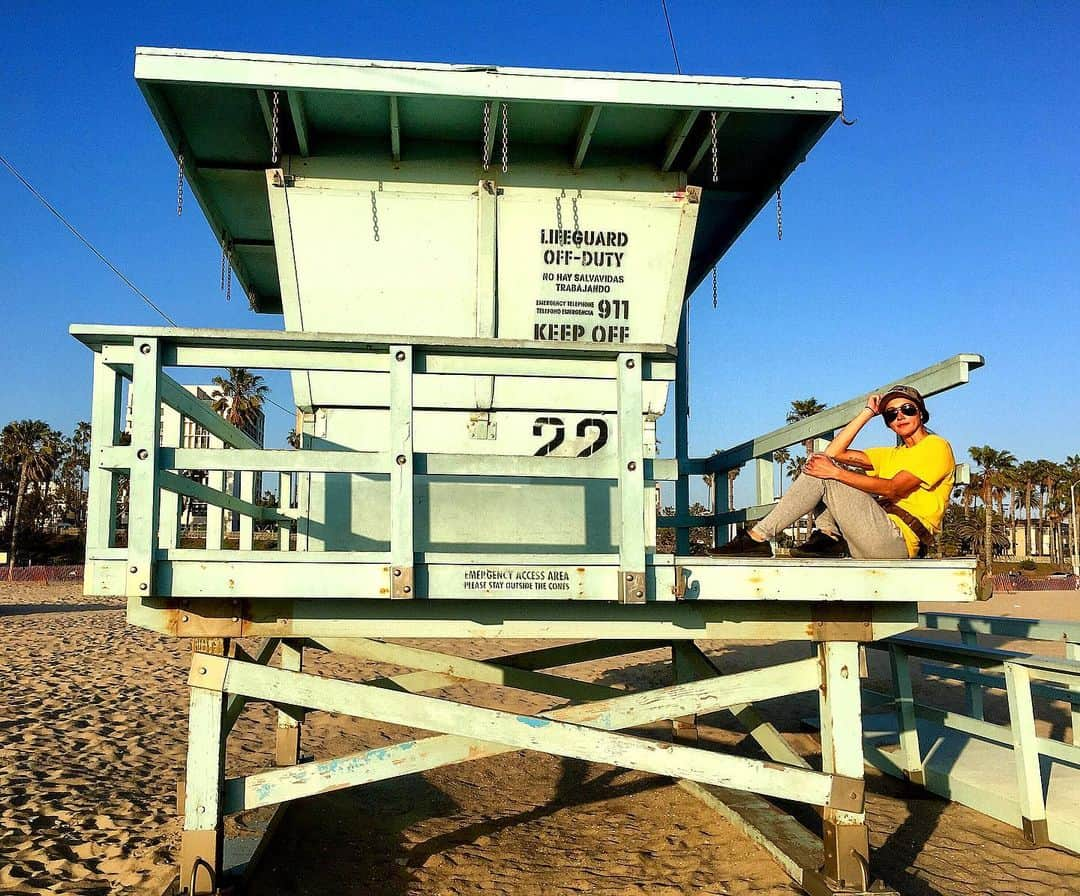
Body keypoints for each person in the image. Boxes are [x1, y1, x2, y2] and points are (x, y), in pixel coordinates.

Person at [710, 385, 955, 559]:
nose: (899, 416)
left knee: (824, 472)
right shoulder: (890, 454)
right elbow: (834, 453)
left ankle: (757, 538)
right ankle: (828, 536)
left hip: (898, 540)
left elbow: (894, 488)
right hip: (868, 536)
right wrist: (867, 413)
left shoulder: (935, 446)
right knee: (821, 464)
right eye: (891, 414)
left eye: (907, 409)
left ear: (921, 413)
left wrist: (835, 473)